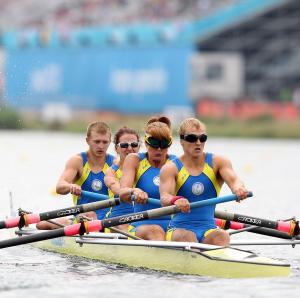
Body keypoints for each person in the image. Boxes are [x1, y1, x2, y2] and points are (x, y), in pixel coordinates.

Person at [159, 117, 248, 245]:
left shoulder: (218, 162)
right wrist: (175, 200)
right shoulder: (171, 168)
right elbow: (164, 198)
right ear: (182, 141)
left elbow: (235, 180)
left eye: (203, 138)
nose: (198, 142)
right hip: (179, 230)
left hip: (208, 229)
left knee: (222, 236)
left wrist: (239, 189)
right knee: (187, 238)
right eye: (192, 138)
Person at [36, 121, 114, 230]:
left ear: (110, 142)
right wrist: (70, 186)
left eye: (105, 142)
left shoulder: (115, 163)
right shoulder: (77, 161)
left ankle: (68, 223)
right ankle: (65, 222)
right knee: (40, 225)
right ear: (87, 141)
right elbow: (60, 187)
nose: (101, 146)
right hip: (83, 215)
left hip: (109, 217)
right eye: (97, 141)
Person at [119, 116, 176, 241]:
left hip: (173, 225)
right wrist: (134, 191)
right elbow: (122, 193)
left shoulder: (176, 163)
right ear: (146, 143)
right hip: (142, 224)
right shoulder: (134, 160)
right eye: (155, 143)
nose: (159, 149)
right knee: (156, 231)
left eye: (164, 144)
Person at [104, 126, 140, 232]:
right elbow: (118, 190)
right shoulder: (111, 172)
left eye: (134, 144)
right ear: (116, 148)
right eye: (124, 145)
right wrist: (133, 191)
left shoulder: (147, 169)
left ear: (139, 147)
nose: (129, 148)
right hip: (117, 220)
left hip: (142, 219)